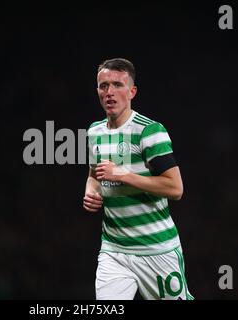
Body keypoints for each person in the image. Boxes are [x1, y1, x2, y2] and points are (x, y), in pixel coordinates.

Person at [83, 58, 194, 300]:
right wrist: (91, 191)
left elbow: (175, 188)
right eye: (103, 86)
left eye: (117, 85)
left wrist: (124, 175)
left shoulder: (149, 132)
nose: (109, 92)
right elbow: (94, 174)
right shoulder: (95, 132)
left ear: (132, 91)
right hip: (114, 250)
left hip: (156, 249)